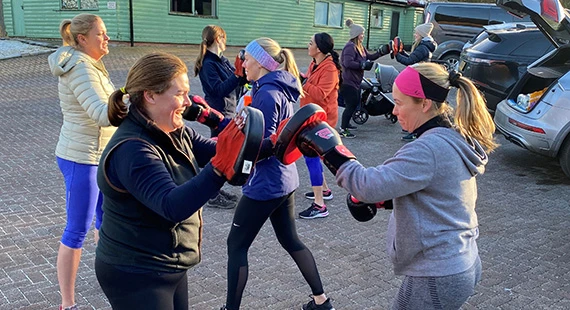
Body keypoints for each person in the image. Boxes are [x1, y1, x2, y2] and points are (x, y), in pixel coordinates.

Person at [296, 62, 497, 309]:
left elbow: (364, 185)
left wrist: (328, 146)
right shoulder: (451, 136)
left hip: (439, 271)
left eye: (400, 103)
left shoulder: (429, 148)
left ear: (424, 104)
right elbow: (440, 190)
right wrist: (388, 200)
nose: (395, 110)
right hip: (454, 263)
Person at [94, 52, 256, 309]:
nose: (187, 101)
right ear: (150, 95)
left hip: (168, 264)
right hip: (136, 272)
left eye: (187, 93)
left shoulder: (174, 129)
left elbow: (214, 150)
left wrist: (276, 143)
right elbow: (172, 206)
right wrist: (217, 170)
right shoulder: (133, 149)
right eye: (179, 93)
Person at [220, 37, 334, 310]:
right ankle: (322, 301)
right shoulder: (275, 88)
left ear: (260, 62)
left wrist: (235, 157)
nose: (242, 63)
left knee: (236, 245)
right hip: (284, 181)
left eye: (246, 58)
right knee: (290, 239)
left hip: (265, 185)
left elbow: (267, 145)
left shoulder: (267, 95)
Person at [47, 13, 116, 310]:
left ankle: (116, 283)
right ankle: (68, 303)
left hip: (99, 156)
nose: (107, 37)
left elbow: (110, 104)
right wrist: (133, 96)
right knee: (77, 229)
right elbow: (102, 114)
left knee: (108, 222)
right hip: (81, 158)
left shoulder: (92, 64)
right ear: (82, 39)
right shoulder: (79, 68)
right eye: (101, 33)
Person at [194, 25, 246, 209]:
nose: (226, 42)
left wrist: (244, 75)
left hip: (230, 111)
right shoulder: (208, 64)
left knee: (220, 152)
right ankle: (211, 193)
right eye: (224, 38)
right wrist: (237, 76)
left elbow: (236, 79)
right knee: (217, 153)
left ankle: (213, 190)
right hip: (218, 113)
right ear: (218, 39)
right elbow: (218, 90)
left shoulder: (221, 60)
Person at [298, 32, 341, 219]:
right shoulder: (315, 63)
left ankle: (320, 205)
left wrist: (302, 82)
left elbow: (320, 93)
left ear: (320, 49)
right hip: (310, 117)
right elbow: (308, 82)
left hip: (323, 120)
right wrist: (299, 77)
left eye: (310, 43)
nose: (308, 45)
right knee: (314, 156)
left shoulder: (330, 68)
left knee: (311, 156)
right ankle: (324, 191)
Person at [339, 18, 388, 139]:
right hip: (348, 81)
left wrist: (381, 52)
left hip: (355, 81)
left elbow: (369, 57)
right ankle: (343, 129)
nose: (363, 36)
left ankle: (347, 124)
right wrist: (361, 65)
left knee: (355, 102)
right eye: (362, 34)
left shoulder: (360, 46)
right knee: (351, 105)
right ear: (356, 34)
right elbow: (347, 63)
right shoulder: (350, 47)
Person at [394, 22, 438, 142]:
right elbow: (413, 58)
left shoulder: (422, 48)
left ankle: (414, 131)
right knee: (416, 105)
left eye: (416, 33)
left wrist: (397, 54)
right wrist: (402, 52)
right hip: (420, 78)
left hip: (418, 80)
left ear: (422, 35)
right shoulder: (425, 46)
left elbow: (410, 61)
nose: (415, 35)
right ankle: (411, 127)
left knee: (415, 106)